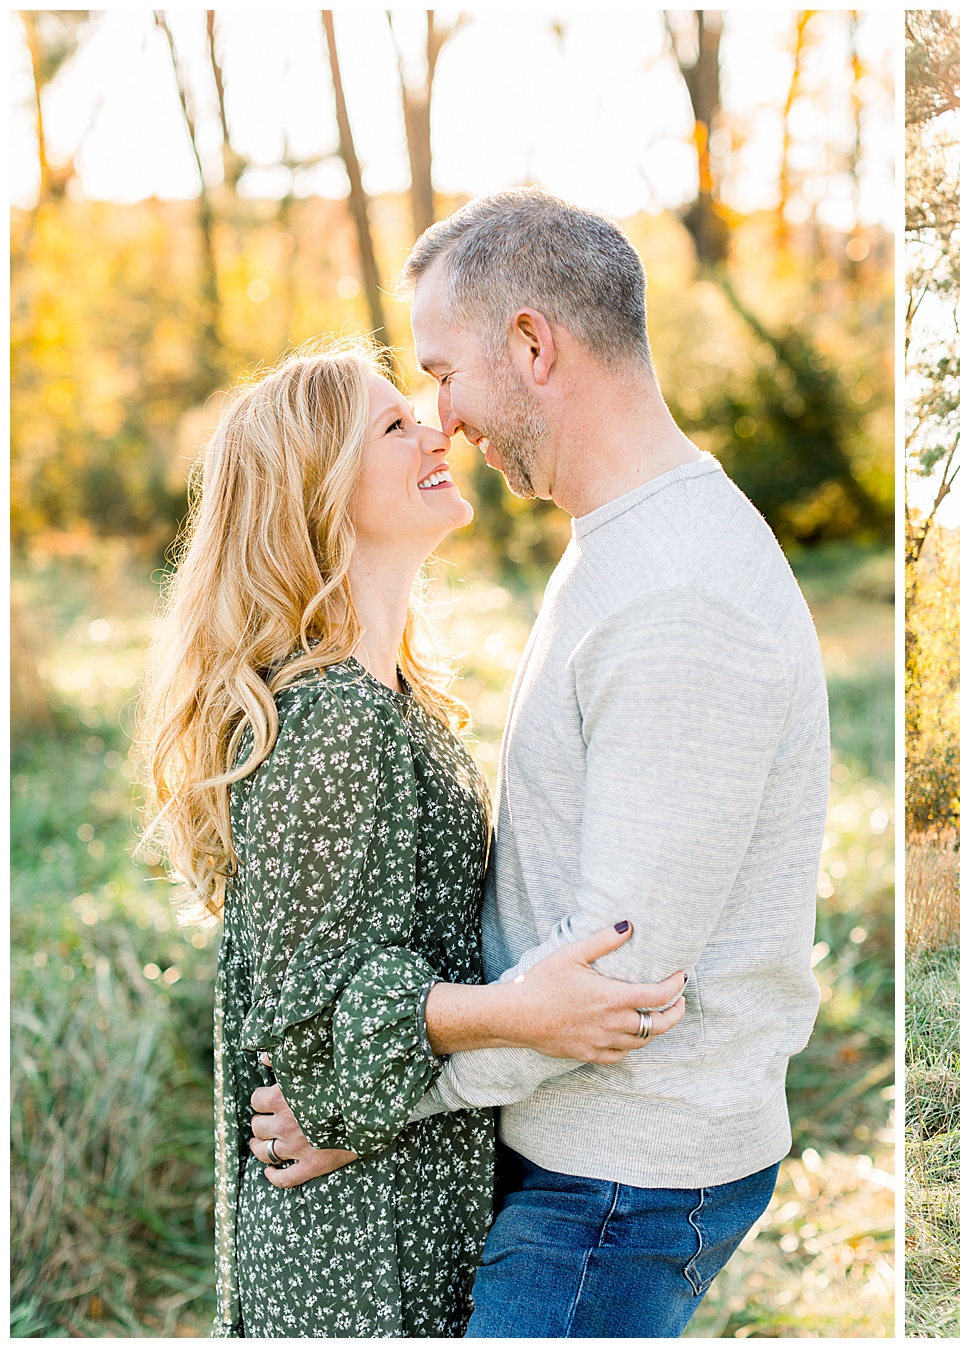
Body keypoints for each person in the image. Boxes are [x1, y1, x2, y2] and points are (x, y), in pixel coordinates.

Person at [252, 189, 833, 1337]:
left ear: (531, 343)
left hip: (616, 1182)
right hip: (583, 1155)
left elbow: (618, 981)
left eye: (445, 372)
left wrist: (371, 1100)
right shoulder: (624, 540)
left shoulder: (679, 598)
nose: (443, 418)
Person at [136, 340, 688, 1336]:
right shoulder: (332, 719)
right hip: (354, 1253)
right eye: (394, 425)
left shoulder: (396, 702)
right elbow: (308, 1033)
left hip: (407, 1192)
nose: (437, 427)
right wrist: (524, 1014)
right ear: (318, 494)